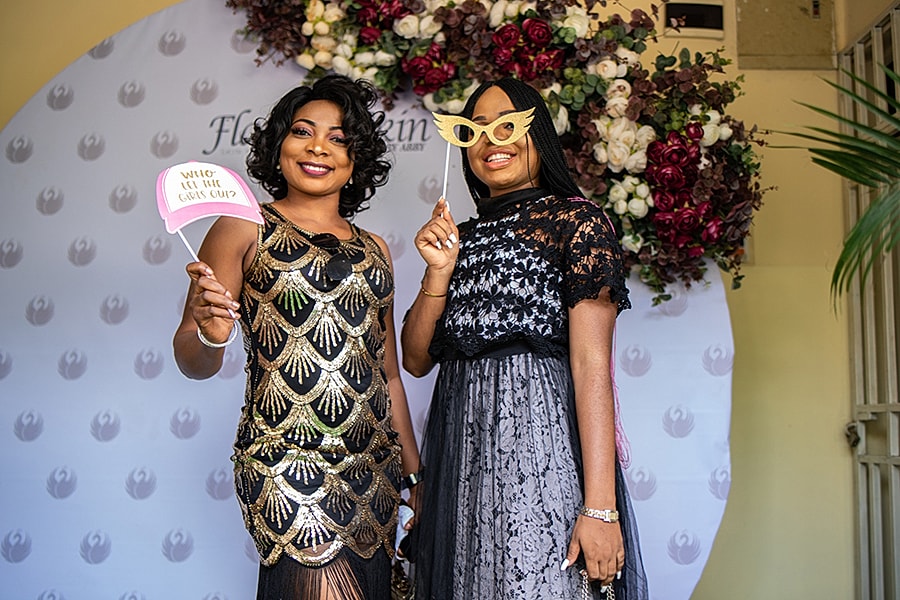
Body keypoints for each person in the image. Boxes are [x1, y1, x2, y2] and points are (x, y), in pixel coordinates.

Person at [173, 74, 422, 600]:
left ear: (357, 159)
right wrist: (211, 335)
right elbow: (192, 359)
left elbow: (390, 376)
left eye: (338, 138)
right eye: (303, 131)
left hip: (374, 468)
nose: (318, 147)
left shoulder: (377, 248)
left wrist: (416, 479)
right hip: (287, 462)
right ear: (278, 144)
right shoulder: (242, 226)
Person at [400, 77, 648, 599]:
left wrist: (600, 507)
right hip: (462, 464)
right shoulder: (457, 239)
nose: (493, 141)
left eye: (507, 125)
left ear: (540, 135)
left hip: (543, 456)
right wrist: (439, 273)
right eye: (476, 131)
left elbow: (590, 365)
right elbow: (416, 359)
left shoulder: (576, 223)